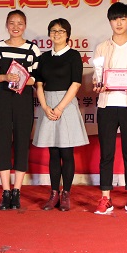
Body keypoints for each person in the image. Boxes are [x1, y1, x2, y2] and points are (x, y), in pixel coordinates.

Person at [92, 2, 127, 215]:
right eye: (115, 19)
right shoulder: (102, 47)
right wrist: (98, 84)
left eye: (123, 19)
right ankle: (105, 198)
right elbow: (97, 76)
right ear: (109, 22)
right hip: (107, 105)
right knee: (106, 153)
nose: (119, 23)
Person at [0, 10, 41, 210]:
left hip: (22, 98)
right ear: (6, 25)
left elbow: (38, 77)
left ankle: (17, 191)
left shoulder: (32, 49)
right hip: (1, 97)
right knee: (1, 141)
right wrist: (5, 77)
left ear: (25, 26)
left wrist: (23, 79)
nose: (15, 27)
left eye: (20, 23)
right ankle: (6, 191)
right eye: (12, 23)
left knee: (21, 141)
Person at [32, 18, 89, 211]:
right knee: (53, 152)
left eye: (61, 31)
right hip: (47, 104)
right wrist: (45, 107)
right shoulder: (44, 58)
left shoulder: (73, 55)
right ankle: (54, 193)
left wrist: (60, 108)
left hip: (66, 103)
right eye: (53, 31)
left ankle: (66, 194)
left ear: (67, 35)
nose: (57, 34)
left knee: (66, 152)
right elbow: (39, 84)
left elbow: (76, 84)